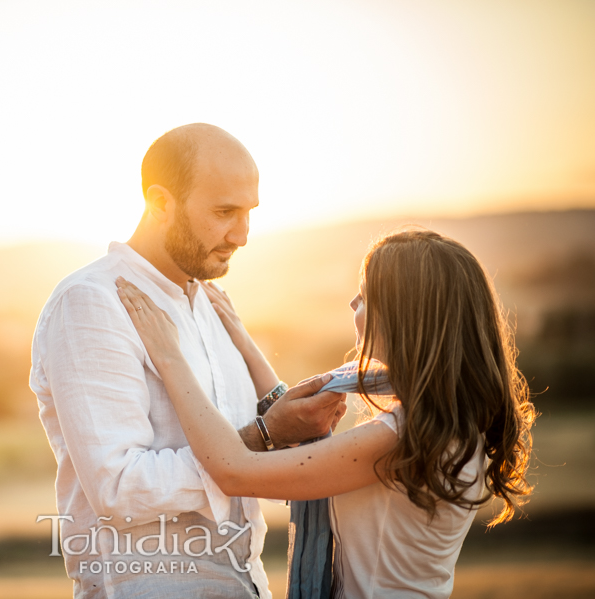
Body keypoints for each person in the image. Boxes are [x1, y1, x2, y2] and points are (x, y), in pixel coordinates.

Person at [115, 228, 536, 598]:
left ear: (407, 318)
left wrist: (169, 356)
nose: (353, 303)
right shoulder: (450, 425)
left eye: (366, 296)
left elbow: (233, 469)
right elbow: (306, 422)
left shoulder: (397, 440)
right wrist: (243, 339)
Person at [29, 123, 346, 598]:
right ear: (159, 203)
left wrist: (287, 427)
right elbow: (118, 486)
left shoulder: (212, 304)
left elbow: (252, 455)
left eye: (249, 213)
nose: (241, 235)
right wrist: (263, 436)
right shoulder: (91, 303)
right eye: (224, 212)